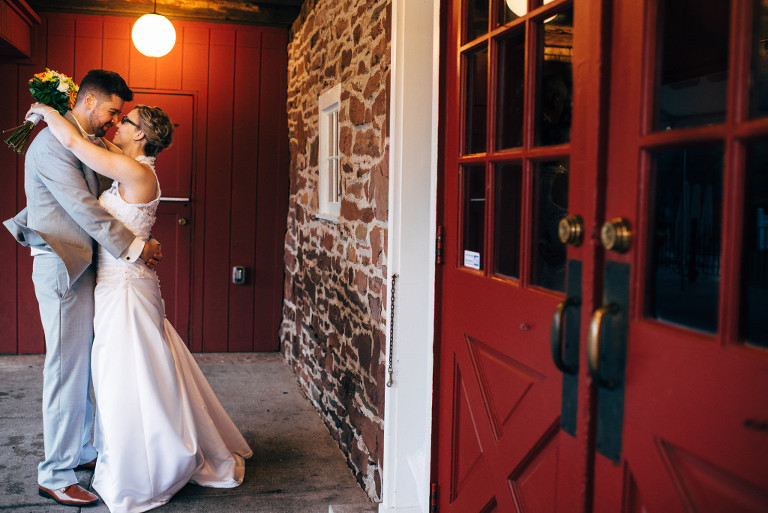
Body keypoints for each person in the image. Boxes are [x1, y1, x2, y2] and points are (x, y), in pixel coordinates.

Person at [25, 100, 253, 512]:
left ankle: (147, 461)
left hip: (125, 289)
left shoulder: (136, 171)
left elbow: (77, 142)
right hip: (113, 283)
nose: (116, 124)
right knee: (113, 372)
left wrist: (50, 112)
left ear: (140, 133)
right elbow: (90, 147)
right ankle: (112, 448)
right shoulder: (125, 161)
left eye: (123, 120)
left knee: (128, 374)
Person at [3, 70, 162, 507]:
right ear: (88, 101)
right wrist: (134, 246)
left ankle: (82, 452)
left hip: (82, 262)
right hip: (62, 267)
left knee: (82, 364)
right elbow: (84, 208)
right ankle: (54, 473)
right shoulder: (53, 142)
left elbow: (118, 160)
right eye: (113, 111)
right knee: (66, 370)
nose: (115, 121)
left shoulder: (79, 135)